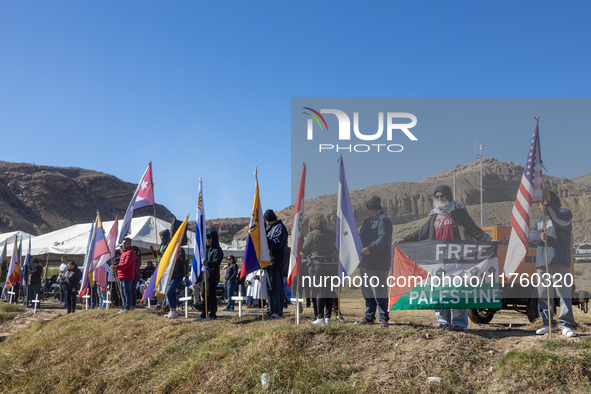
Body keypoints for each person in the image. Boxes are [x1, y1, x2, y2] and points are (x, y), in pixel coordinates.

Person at [394, 185, 491, 331]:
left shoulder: (458, 212)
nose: (439, 199)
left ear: (448, 196)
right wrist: (404, 239)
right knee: (439, 292)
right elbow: (421, 233)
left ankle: (459, 323)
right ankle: (443, 323)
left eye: (442, 196)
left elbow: (473, 229)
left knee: (458, 291)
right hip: (438, 261)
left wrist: (488, 240)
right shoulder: (434, 215)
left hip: (457, 260)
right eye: (437, 196)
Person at [530, 190, 577, 337]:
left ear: (552, 201)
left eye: (542, 202)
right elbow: (531, 235)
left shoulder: (564, 213)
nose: (539, 206)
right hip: (542, 263)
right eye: (540, 203)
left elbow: (559, 221)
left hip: (559, 261)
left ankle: (566, 325)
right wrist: (539, 235)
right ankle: (547, 323)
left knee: (563, 294)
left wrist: (549, 204)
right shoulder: (539, 220)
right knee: (544, 295)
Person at [353, 196, 393, 328]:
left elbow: (384, 238)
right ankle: (369, 317)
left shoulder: (384, 220)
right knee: (367, 291)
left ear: (372, 208)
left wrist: (370, 248)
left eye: (368, 208)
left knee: (379, 291)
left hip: (378, 263)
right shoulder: (367, 222)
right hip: (365, 263)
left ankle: (383, 318)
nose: (366, 210)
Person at [301, 214, 339, 324]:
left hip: (318, 265)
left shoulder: (312, 235)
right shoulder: (333, 234)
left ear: (313, 223)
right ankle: (328, 318)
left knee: (320, 290)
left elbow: (305, 250)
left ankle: (320, 317)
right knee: (330, 290)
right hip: (332, 264)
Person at [263, 209, 288, 319]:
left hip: (276, 263)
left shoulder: (280, 228)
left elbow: (276, 244)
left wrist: (264, 240)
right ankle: (270, 309)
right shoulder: (270, 229)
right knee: (269, 289)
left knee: (276, 289)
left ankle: (278, 311)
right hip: (268, 263)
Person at [194, 230, 223, 321]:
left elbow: (216, 263)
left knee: (211, 295)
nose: (207, 241)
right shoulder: (206, 249)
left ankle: (212, 314)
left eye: (208, 239)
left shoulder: (217, 250)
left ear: (213, 239)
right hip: (205, 276)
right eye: (206, 239)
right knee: (204, 295)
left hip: (212, 277)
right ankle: (204, 314)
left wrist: (208, 263)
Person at [164, 242, 186, 319]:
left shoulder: (181, 250)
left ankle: (173, 311)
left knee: (169, 292)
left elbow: (181, 257)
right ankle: (173, 311)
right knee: (172, 293)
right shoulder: (172, 250)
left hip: (178, 276)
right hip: (172, 276)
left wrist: (173, 254)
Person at [114, 237, 137, 313]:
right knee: (122, 292)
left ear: (129, 243)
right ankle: (123, 307)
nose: (123, 245)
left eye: (125, 243)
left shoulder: (130, 252)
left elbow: (126, 264)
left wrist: (116, 267)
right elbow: (122, 264)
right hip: (122, 275)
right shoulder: (124, 253)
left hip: (127, 276)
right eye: (123, 243)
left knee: (126, 292)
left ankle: (127, 307)